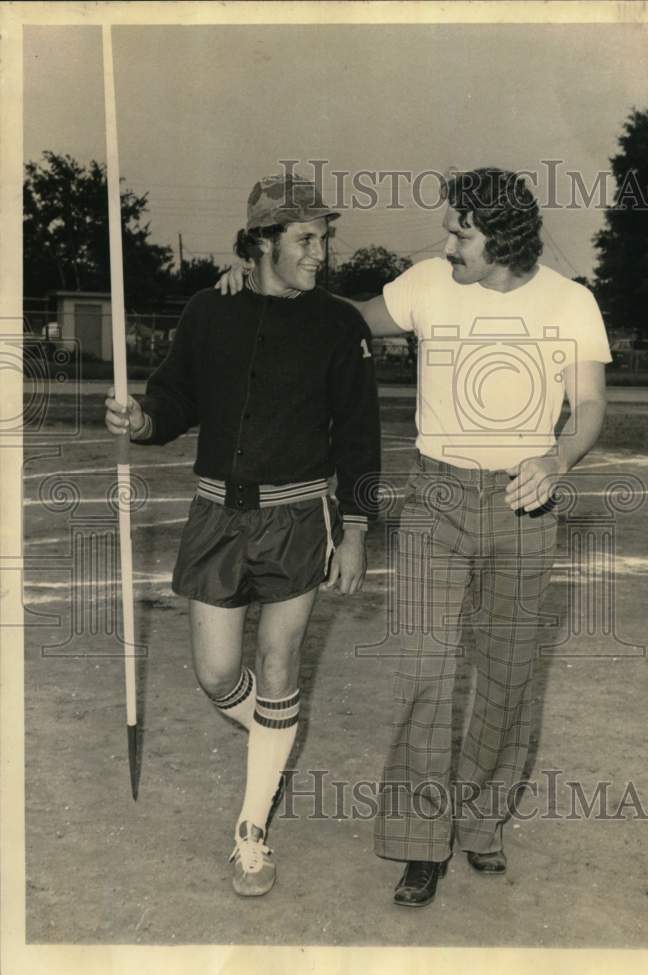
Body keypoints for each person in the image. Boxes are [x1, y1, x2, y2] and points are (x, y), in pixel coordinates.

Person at [219, 166, 611, 907]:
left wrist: (556, 457)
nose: (447, 241)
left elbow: (588, 405)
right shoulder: (428, 282)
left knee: (506, 676)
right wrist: (259, 277)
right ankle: (418, 843)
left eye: (461, 230)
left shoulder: (570, 302)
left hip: (524, 505)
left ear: (502, 238)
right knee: (425, 674)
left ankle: (483, 820)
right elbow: (338, 316)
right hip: (435, 498)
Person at [105, 171, 380, 898]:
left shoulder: (337, 325)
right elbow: (174, 396)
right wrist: (143, 421)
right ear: (260, 244)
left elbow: (358, 434)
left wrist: (354, 526)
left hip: (299, 516)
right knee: (217, 674)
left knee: (280, 660)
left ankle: (251, 831)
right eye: (303, 239)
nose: (319, 252)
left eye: (322, 237)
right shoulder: (208, 310)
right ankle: (274, 731)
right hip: (216, 512)